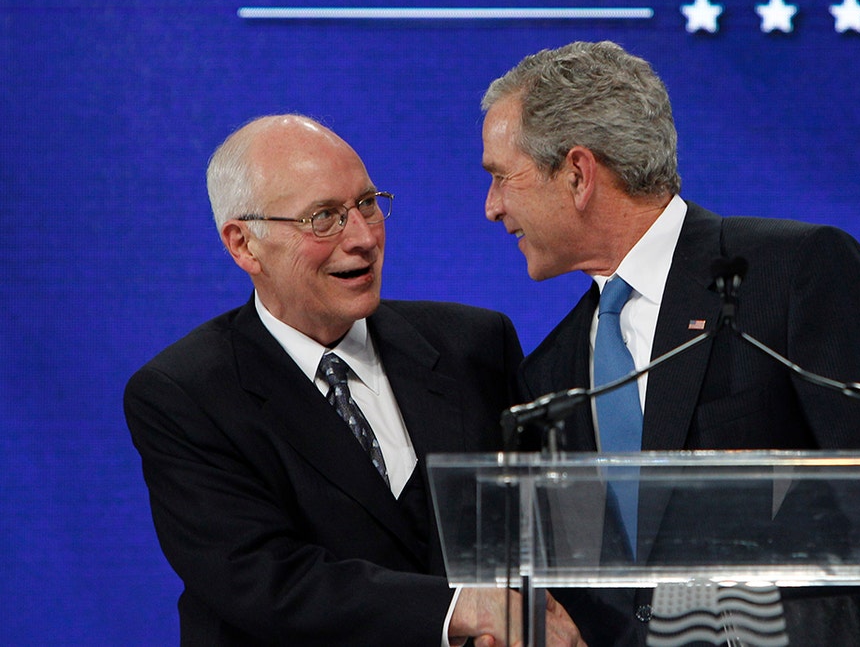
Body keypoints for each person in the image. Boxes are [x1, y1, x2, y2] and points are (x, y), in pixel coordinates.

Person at [480, 41, 860, 645]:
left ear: (578, 173)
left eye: (501, 177)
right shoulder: (551, 375)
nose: (492, 207)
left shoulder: (795, 274)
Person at [125, 114, 584, 646]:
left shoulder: (473, 345)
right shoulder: (185, 394)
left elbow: (543, 531)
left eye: (367, 204)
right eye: (324, 218)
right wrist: (459, 610)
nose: (364, 238)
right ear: (244, 245)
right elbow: (264, 578)